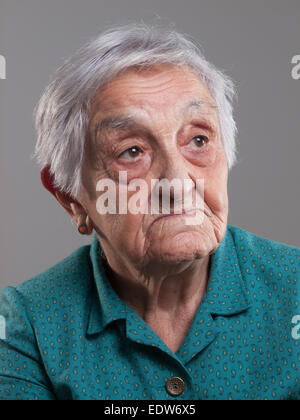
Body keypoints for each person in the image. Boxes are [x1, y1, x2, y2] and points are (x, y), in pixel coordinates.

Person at [0, 22, 299, 400]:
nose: (177, 182)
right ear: (70, 197)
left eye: (198, 140)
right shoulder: (25, 325)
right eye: (132, 151)